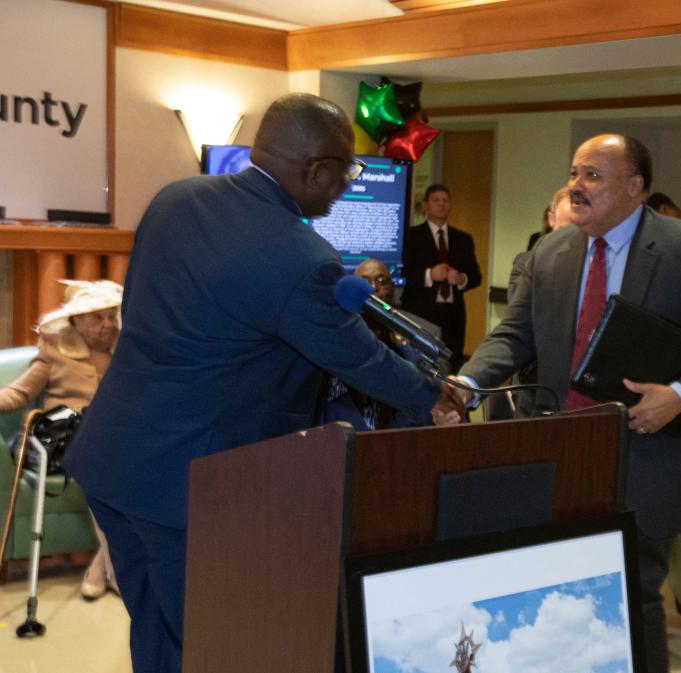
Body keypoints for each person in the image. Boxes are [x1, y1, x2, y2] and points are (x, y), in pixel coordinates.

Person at [61, 94, 448, 673]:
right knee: (219, 642)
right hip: (191, 487)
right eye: (348, 171)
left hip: (113, 460)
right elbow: (359, 359)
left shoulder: (175, 198)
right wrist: (431, 391)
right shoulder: (299, 257)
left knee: (158, 631)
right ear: (317, 171)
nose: (347, 185)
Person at [435, 134, 681, 673]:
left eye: (592, 174)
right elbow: (514, 335)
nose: (576, 185)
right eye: (574, 173)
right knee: (558, 599)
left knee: (633, 599)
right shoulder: (551, 250)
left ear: (635, 189)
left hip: (649, 456)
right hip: (561, 453)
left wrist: (680, 397)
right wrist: (468, 383)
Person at [0, 279, 122, 601]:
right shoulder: (54, 350)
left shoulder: (124, 354)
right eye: (97, 317)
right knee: (91, 433)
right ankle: (114, 571)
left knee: (112, 456)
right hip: (56, 437)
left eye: (112, 316)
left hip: (104, 445)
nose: (107, 324)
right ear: (77, 321)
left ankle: (99, 567)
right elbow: (20, 393)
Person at [318, 258, 433, 430]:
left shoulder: (409, 347)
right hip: (339, 440)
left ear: (393, 289)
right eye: (364, 282)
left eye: (381, 280)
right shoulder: (332, 342)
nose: (373, 287)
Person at [401, 184, 482, 372]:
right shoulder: (411, 236)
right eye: (436, 200)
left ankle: (451, 399)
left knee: (452, 365)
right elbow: (402, 273)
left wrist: (461, 278)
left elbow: (476, 275)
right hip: (420, 312)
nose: (441, 205)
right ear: (426, 205)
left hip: (453, 315)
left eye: (446, 201)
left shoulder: (463, 239)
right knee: (421, 364)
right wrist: (429, 275)